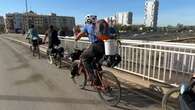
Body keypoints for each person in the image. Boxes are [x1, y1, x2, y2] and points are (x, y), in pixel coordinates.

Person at [75, 15, 105, 81]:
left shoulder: (87, 26)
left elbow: (79, 36)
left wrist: (76, 37)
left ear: (87, 20)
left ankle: (91, 76)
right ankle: (99, 82)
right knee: (96, 64)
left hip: (95, 46)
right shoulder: (98, 26)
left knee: (83, 57)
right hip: (103, 46)